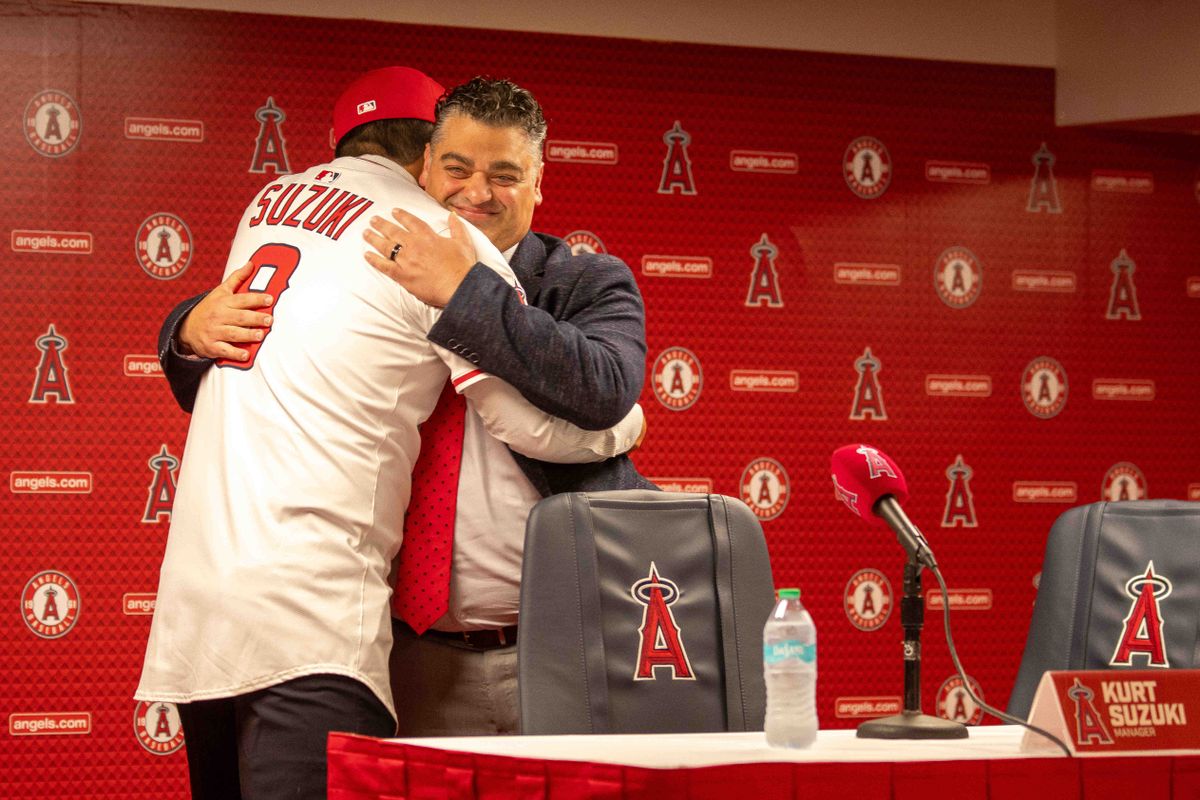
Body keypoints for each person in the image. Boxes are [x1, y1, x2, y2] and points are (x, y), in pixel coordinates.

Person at [137, 66, 643, 800]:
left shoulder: (581, 281)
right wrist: (184, 327)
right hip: (399, 644)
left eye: (504, 174)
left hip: (544, 645)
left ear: (538, 183)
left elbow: (600, 386)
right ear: (423, 166)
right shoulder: (395, 239)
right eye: (457, 168)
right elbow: (242, 360)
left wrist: (464, 290)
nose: (476, 192)